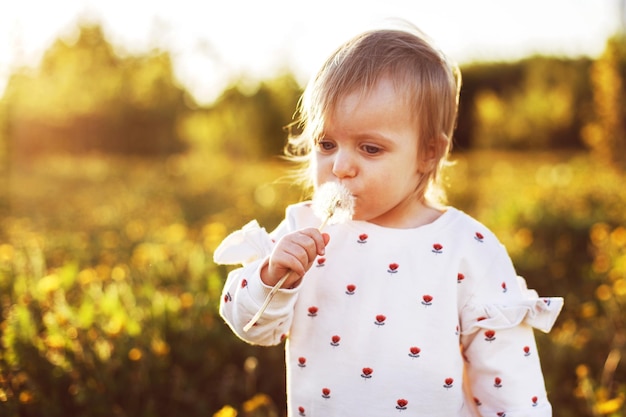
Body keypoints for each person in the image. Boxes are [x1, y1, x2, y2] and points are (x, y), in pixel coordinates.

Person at [214, 21, 563, 417]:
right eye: (326, 144)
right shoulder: (302, 229)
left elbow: (511, 382)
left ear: (428, 153)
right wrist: (271, 279)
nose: (341, 166)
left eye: (370, 148)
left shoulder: (467, 247)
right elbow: (253, 326)